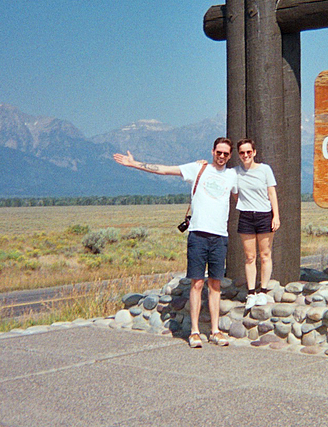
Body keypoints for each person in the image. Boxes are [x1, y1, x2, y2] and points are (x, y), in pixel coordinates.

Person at [113, 138, 238, 348]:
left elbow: (248, 188)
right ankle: (195, 332)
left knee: (215, 285)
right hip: (198, 234)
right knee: (197, 283)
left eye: (226, 154)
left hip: (219, 236)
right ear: (213, 151)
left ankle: (216, 330)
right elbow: (164, 170)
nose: (222, 156)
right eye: (219, 152)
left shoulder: (232, 175)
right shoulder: (198, 169)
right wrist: (135, 164)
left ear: (230, 155)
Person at [234, 138, 280, 309]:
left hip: (264, 215)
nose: (245, 155)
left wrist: (275, 216)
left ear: (254, 152)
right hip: (246, 216)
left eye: (248, 152)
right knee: (249, 256)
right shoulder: (236, 172)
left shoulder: (265, 170)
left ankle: (263, 291)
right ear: (239, 155)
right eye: (242, 153)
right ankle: (251, 292)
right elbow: (234, 193)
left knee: (265, 254)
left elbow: (272, 193)